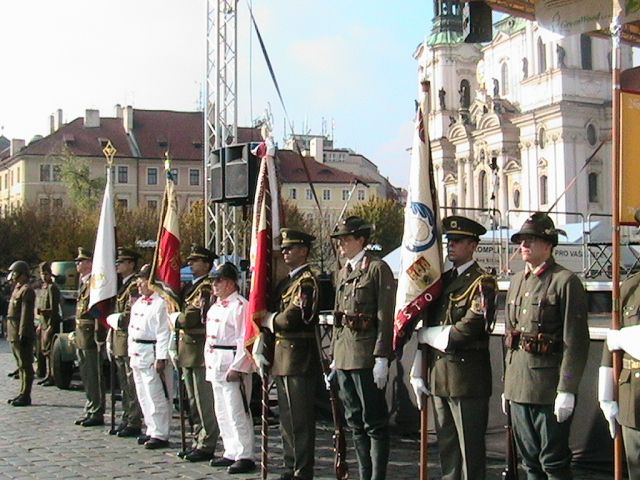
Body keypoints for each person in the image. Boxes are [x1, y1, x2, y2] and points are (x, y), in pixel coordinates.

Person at [503, 212, 589, 479]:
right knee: (529, 463)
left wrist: (567, 388)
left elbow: (575, 340)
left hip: (547, 389)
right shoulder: (517, 281)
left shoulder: (565, 281)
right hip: (519, 387)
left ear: (549, 245)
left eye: (532, 239)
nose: (524, 245)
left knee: (553, 463)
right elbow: (510, 338)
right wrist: (507, 386)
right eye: (522, 240)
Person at [410, 216, 496, 480]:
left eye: (457, 241)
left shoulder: (482, 282)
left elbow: (468, 329)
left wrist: (428, 335)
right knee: (447, 450)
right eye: (449, 241)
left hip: (467, 379)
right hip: (440, 377)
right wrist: (418, 364)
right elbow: (428, 319)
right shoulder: (441, 281)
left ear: (473, 245)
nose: (451, 246)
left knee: (470, 452)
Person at [330, 216, 395, 480]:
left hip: (366, 355)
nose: (342, 244)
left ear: (361, 240)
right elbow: (338, 317)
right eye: (340, 240)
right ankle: (363, 474)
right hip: (345, 356)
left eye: (347, 239)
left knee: (374, 423)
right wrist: (335, 355)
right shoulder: (343, 271)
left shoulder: (378, 269)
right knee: (354, 421)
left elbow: (385, 316)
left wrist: (382, 356)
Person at [254, 228, 321, 480]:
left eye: (290, 248)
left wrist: (270, 319)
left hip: (298, 356)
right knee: (286, 418)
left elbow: (292, 318)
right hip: (282, 357)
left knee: (300, 418)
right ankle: (290, 464)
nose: (285, 252)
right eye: (283, 248)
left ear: (303, 251)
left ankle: (303, 469)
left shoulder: (307, 281)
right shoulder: (287, 283)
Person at [599, 209, 640, 477]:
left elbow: (619, 337)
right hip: (632, 401)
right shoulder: (630, 286)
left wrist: (622, 339)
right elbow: (609, 343)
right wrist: (606, 395)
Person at [206, 262, 256, 474]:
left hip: (231, 361)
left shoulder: (240, 306)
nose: (214, 285)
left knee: (237, 410)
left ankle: (245, 454)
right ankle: (231, 450)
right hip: (215, 360)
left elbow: (244, 338)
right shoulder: (215, 306)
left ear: (229, 282)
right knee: (222, 411)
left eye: (218, 280)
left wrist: (238, 367)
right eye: (213, 281)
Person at [175, 244, 220, 462]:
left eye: (196, 261)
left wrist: (175, 317)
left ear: (206, 264)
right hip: (187, 348)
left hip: (199, 349)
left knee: (204, 400)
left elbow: (191, 317)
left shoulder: (206, 287)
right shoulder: (190, 287)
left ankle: (207, 442)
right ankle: (197, 438)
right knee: (192, 400)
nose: (190, 264)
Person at [128, 264, 173, 449]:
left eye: (143, 279)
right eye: (139, 279)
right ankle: (151, 428)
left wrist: (161, 357)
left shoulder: (161, 303)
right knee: (143, 394)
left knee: (156, 395)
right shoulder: (138, 303)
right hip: (138, 352)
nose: (139, 283)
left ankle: (160, 433)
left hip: (152, 352)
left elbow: (164, 332)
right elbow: (132, 330)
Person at [107, 247, 143, 437]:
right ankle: (127, 416)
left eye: (121, 262)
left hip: (128, 340)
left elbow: (132, 314)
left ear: (131, 264)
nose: (118, 265)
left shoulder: (134, 286)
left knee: (131, 383)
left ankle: (134, 419)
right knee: (124, 383)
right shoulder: (122, 285)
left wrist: (117, 319)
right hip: (118, 341)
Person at [74, 247, 108, 427]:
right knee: (86, 375)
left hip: (90, 336)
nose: (77, 264)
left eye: (81, 261)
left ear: (89, 263)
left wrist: (99, 335)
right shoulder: (83, 282)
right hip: (81, 336)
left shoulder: (94, 284)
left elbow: (96, 312)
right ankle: (91, 406)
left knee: (94, 375)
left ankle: (96, 410)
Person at [6, 260, 35, 406]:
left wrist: (23, 332)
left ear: (23, 274)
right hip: (13, 330)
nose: (13, 276)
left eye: (15, 273)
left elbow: (26, 314)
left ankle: (26, 394)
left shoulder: (27, 290)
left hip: (21, 331)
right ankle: (22, 392)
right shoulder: (17, 289)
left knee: (25, 364)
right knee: (20, 364)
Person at [36, 261, 61, 387]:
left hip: (50, 323)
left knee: (50, 351)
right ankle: (48, 374)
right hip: (43, 323)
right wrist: (41, 325)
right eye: (42, 274)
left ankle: (52, 376)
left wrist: (51, 326)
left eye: (46, 274)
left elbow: (54, 309)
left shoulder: (52, 288)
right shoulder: (44, 287)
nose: (43, 276)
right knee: (45, 351)